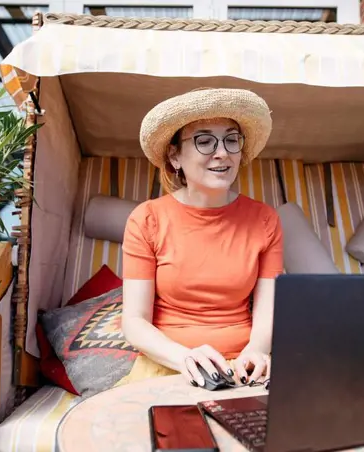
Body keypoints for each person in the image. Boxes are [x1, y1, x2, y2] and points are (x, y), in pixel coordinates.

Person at [119, 88, 283, 389]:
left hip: (244, 367)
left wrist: (257, 349)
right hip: (170, 365)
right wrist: (186, 358)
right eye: (204, 141)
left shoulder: (265, 220)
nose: (222, 153)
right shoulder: (147, 219)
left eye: (231, 139)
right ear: (175, 156)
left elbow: (267, 309)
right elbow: (134, 322)